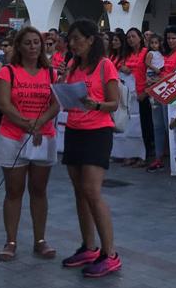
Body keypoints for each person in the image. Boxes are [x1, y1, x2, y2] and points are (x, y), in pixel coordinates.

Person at [59, 19, 122, 278]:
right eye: (70, 40)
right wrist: (62, 81)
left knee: (92, 191)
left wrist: (95, 104)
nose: (72, 44)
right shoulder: (73, 65)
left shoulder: (105, 66)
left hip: (97, 131)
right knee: (78, 191)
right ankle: (89, 246)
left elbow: (114, 103)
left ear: (91, 39)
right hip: (74, 129)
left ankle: (110, 254)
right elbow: (66, 95)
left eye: (76, 39)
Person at [0, 26, 60, 262]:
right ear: (19, 46)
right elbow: (4, 104)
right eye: (28, 43)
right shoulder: (7, 72)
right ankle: (10, 241)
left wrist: (39, 123)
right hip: (13, 137)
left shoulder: (50, 73)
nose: (33, 47)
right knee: (14, 191)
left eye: (36, 43)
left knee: (39, 190)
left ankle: (40, 240)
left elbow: (55, 103)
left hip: (43, 136)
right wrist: (27, 125)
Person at [146, 26, 176, 172]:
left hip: (170, 93)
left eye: (174, 38)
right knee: (157, 126)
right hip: (158, 91)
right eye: (168, 38)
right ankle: (158, 157)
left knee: (168, 126)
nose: (170, 41)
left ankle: (175, 161)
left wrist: (159, 80)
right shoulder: (165, 53)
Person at [119, 28, 151, 167]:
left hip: (143, 95)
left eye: (133, 36)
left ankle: (144, 156)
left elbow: (151, 74)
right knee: (131, 127)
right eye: (128, 37)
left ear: (140, 37)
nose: (130, 39)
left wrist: (146, 92)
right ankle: (132, 154)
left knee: (143, 127)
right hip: (130, 96)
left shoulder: (146, 53)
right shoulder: (128, 54)